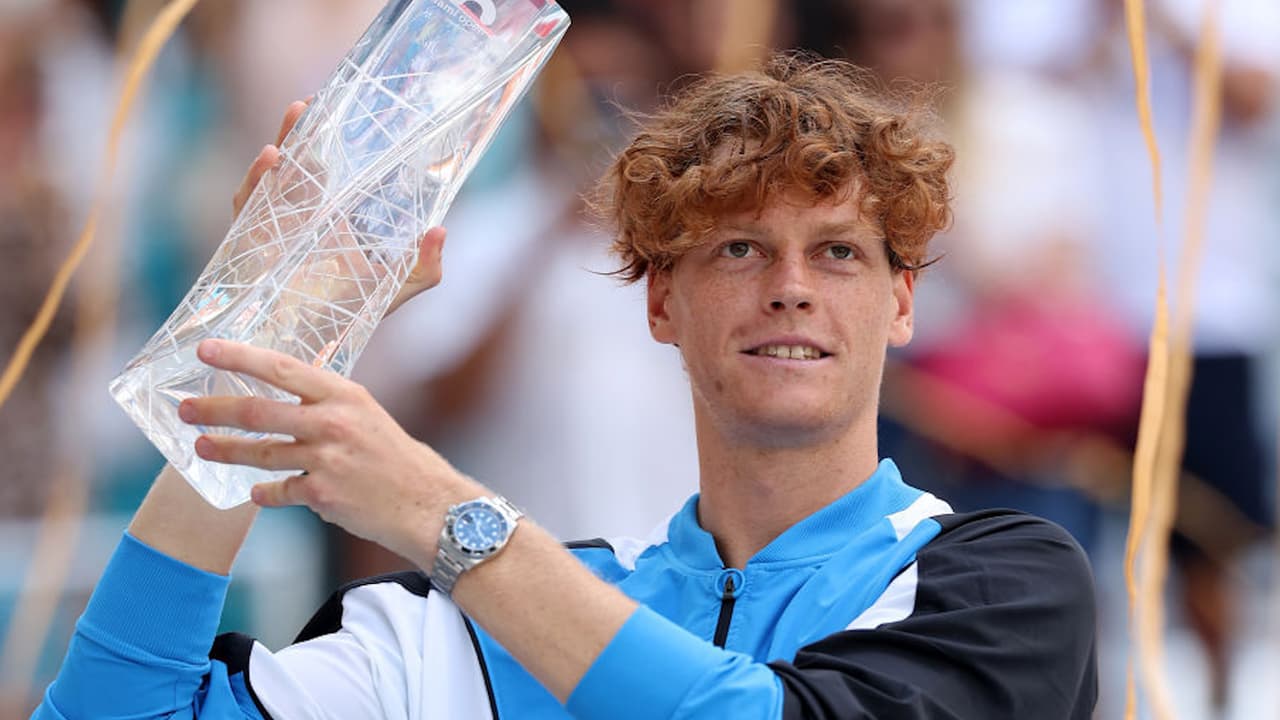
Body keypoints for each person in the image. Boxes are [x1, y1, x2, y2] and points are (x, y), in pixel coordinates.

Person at [35, 54, 1097, 719]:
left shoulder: (1002, 580)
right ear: (659, 305)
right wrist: (291, 317)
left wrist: (435, 509)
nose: (787, 290)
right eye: (735, 250)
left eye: (836, 254)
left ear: (900, 303)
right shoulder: (463, 630)